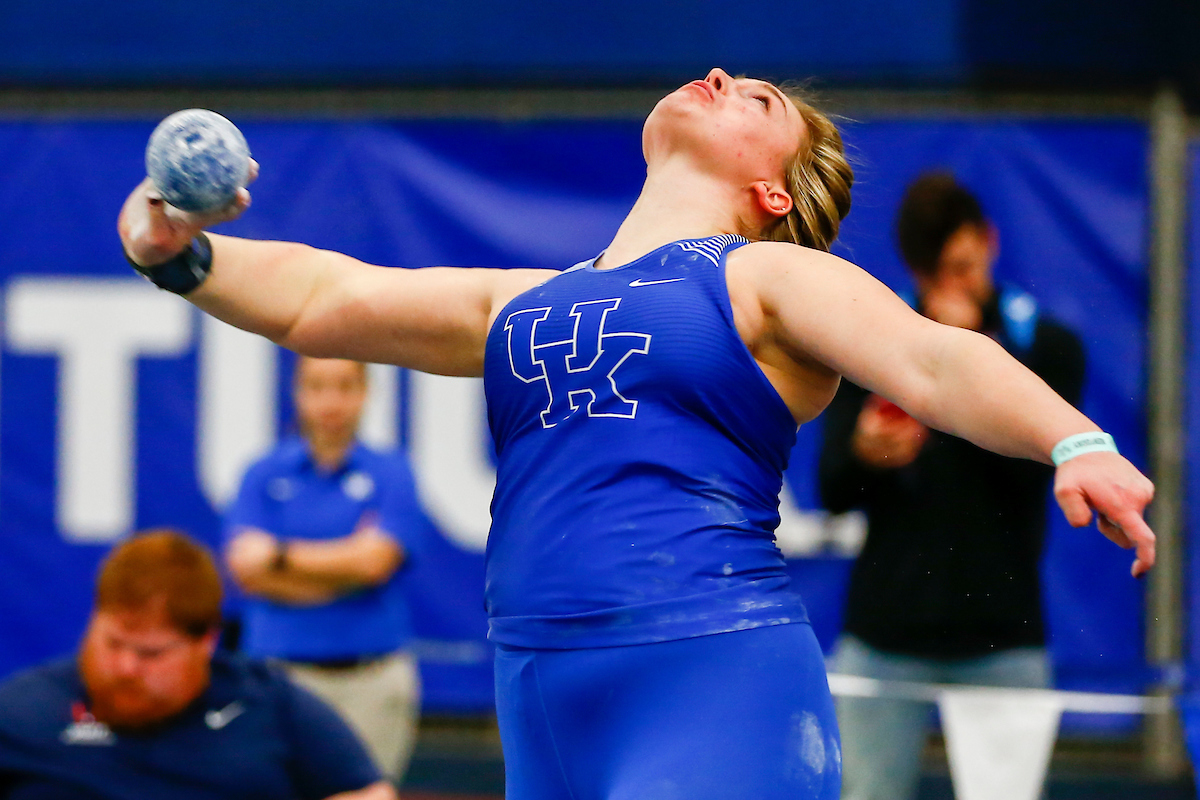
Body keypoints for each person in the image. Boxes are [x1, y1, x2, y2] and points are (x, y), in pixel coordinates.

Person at [118, 68, 1155, 800]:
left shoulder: (769, 277)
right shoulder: (526, 298)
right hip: (536, 692)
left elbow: (931, 359)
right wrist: (181, 254)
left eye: (757, 101)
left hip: (710, 677)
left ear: (772, 192)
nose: (721, 76)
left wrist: (1074, 441)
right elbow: (322, 297)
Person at [819, 172, 1087, 800]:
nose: (953, 287)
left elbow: (1034, 474)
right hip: (886, 630)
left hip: (1002, 630)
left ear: (989, 241)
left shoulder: (1046, 347)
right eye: (936, 274)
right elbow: (833, 490)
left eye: (964, 267)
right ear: (915, 270)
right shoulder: (873, 347)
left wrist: (964, 365)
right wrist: (867, 455)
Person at [0, 529, 395, 800]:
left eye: (150, 654)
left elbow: (369, 794)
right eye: (113, 643)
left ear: (206, 642)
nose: (125, 667)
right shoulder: (23, 711)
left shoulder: (270, 706)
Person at [224, 355, 424, 783]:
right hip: (279, 678)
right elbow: (246, 569)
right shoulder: (262, 473)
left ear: (365, 393)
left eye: (345, 386)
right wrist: (346, 567)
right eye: (317, 386)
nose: (331, 401)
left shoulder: (391, 472)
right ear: (297, 392)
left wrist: (279, 557)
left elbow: (376, 562)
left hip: (371, 680)